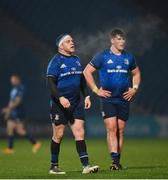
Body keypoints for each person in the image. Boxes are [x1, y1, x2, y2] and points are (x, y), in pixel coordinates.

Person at [83, 28, 141, 170]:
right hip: (108, 98)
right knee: (111, 128)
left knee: (120, 129)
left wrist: (134, 88)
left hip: (123, 98)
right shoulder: (102, 56)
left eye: (123, 39)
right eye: (119, 39)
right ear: (112, 40)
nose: (122, 42)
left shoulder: (129, 57)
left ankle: (117, 161)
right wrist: (96, 90)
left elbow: (137, 73)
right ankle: (114, 161)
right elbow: (87, 72)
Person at [46, 34, 99, 174]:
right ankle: (54, 166)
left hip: (76, 102)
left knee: (80, 132)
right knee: (59, 134)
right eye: (68, 41)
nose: (72, 43)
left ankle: (86, 166)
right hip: (59, 104)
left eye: (72, 41)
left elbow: (81, 80)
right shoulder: (55, 61)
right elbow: (50, 83)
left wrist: (87, 95)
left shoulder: (76, 60)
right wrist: (61, 98)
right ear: (60, 46)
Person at [1, 74, 41, 154]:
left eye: (14, 80)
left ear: (18, 80)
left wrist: (8, 109)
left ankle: (35, 143)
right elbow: (11, 102)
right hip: (13, 112)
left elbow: (18, 101)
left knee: (20, 130)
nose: (12, 81)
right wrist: (8, 112)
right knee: (10, 128)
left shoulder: (21, 88)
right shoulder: (13, 90)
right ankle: (10, 149)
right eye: (11, 80)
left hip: (19, 112)